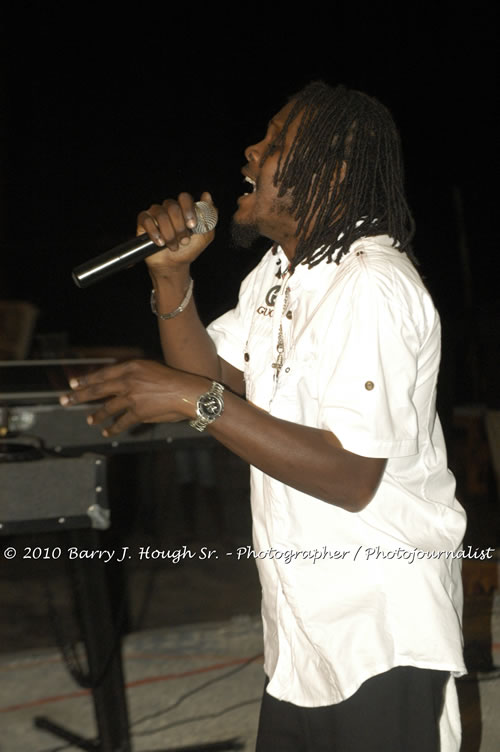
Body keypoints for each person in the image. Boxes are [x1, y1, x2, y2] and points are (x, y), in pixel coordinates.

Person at [61, 82, 466, 751]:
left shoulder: (371, 283)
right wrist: (169, 276)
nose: (251, 150)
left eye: (276, 142)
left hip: (381, 628)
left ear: (332, 171)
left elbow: (351, 476)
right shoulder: (279, 273)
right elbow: (214, 380)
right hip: (302, 632)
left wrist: (190, 400)